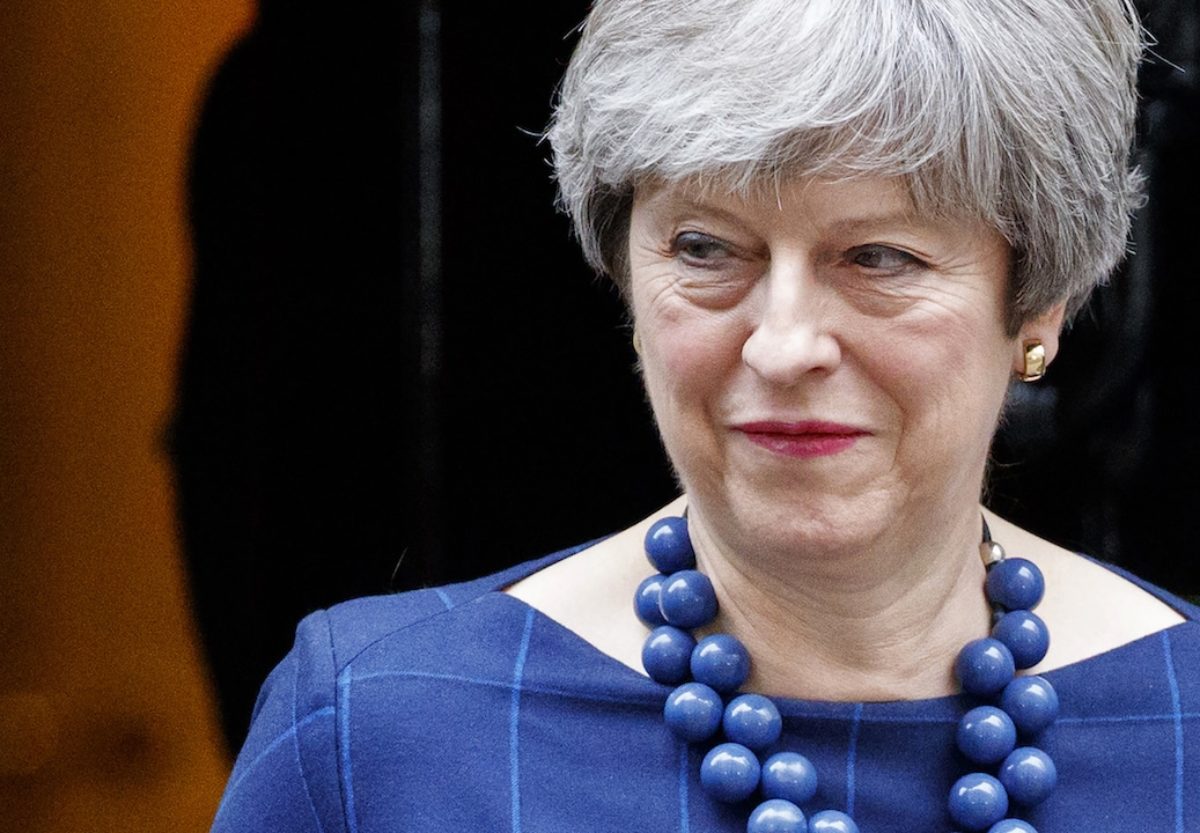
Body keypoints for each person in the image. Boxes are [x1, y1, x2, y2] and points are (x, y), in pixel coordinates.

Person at [210, 1, 1199, 831]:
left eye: (878, 257)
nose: (783, 344)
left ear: (1038, 303)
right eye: (707, 248)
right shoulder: (380, 733)